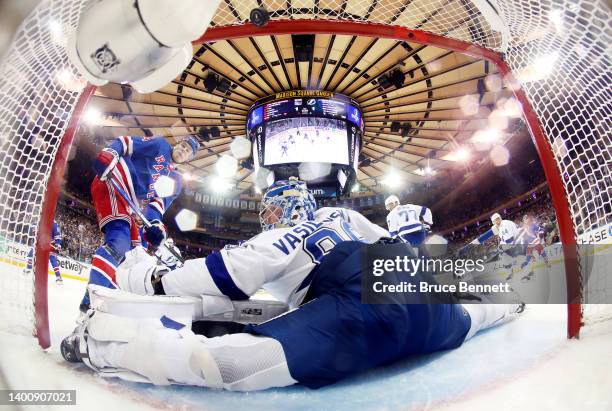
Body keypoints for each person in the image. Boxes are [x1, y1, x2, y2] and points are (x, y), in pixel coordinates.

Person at [62, 178, 523, 391]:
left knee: (233, 366)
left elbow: (223, 275)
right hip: (411, 278)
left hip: (361, 305)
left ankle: (101, 346)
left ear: (281, 211)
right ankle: (510, 304)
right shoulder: (344, 215)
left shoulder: (280, 235)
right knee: (467, 316)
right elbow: (394, 261)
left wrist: (154, 278)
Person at [79, 135, 198, 311]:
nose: (183, 150)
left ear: (189, 158)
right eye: (183, 145)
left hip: (129, 203)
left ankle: (107, 295)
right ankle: (91, 299)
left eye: (188, 150)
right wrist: (110, 153)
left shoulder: (177, 182)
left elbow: (157, 206)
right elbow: (126, 143)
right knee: (119, 242)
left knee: (135, 252)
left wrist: (155, 227)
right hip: (113, 181)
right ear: (177, 144)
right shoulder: (160, 144)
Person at [25, 219, 63, 284]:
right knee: (31, 254)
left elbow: (57, 236)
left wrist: (57, 244)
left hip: (51, 245)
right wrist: (34, 229)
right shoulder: (40, 220)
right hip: (40, 243)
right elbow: (34, 228)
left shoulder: (54, 224)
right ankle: (28, 268)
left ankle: (58, 277)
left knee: (53, 259)